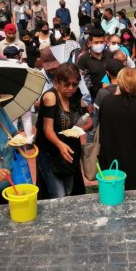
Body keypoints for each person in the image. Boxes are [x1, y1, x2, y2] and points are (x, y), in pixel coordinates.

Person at [34, 63, 89, 198]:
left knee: (70, 189)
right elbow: (47, 129)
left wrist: (80, 129)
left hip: (70, 151)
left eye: (74, 85)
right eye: (66, 84)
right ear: (56, 83)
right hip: (50, 151)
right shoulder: (50, 97)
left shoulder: (77, 97)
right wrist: (60, 144)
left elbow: (89, 122)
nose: (71, 88)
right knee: (58, 193)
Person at [76, 28, 112, 99]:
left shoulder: (109, 55)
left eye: (101, 42)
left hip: (110, 95)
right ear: (89, 43)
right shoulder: (83, 59)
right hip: (93, 97)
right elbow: (80, 80)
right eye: (96, 42)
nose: (99, 44)